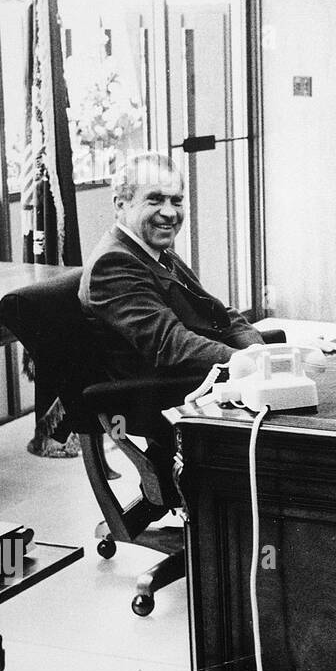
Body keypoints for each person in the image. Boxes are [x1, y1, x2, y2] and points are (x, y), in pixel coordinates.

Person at [80, 152, 263, 486]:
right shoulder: (114, 263)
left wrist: (260, 354)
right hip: (161, 394)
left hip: (197, 379)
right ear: (120, 204)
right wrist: (247, 363)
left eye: (176, 200)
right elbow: (170, 346)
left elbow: (220, 314)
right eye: (155, 200)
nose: (169, 212)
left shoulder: (156, 251)